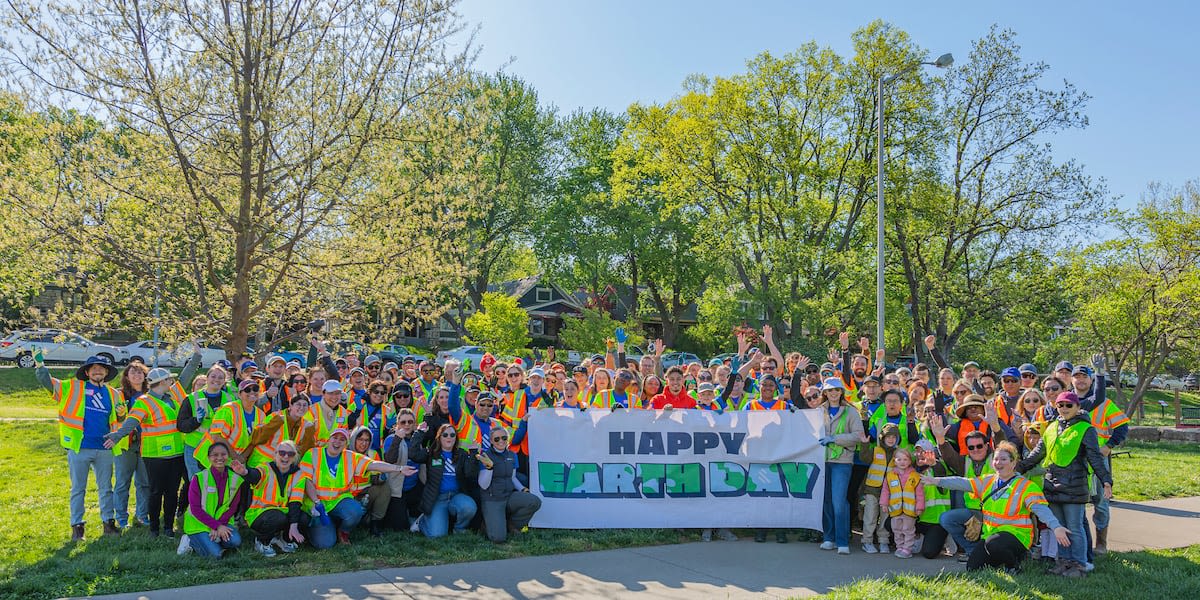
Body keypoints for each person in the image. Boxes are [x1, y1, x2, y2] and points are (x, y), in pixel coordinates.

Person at [923, 441, 1071, 574]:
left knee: (994, 545)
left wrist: (1055, 526)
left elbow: (1041, 509)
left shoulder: (1025, 486)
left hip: (1017, 536)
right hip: (991, 535)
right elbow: (963, 482)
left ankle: (1013, 565)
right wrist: (936, 481)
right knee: (973, 567)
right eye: (996, 459)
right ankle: (1003, 557)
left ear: (1013, 463)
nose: (998, 462)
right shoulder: (988, 481)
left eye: (1004, 459)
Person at [1017, 391, 1112, 577]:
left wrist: (1106, 480)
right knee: (1059, 528)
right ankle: (1064, 562)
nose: (1064, 408)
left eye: (1069, 405)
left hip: (1074, 487)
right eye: (1061, 405)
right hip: (1052, 485)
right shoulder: (1052, 427)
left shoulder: (1086, 428)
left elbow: (1095, 457)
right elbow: (1037, 454)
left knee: (1075, 527)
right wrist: (1017, 468)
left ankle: (1079, 564)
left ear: (1077, 407)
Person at [37, 352, 124, 540]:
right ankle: (77, 527)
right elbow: (48, 383)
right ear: (87, 372)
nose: (97, 371)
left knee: (106, 488)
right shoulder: (73, 387)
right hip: (79, 447)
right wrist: (39, 364)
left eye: (101, 368)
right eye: (93, 368)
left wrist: (120, 421)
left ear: (107, 372)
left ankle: (108, 523)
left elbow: (119, 420)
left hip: (104, 448)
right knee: (78, 489)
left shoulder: (114, 393)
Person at [291, 427, 411, 547]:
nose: (337, 442)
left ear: (346, 444)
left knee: (356, 511)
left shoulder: (350, 457)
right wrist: (316, 502)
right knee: (325, 544)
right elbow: (307, 481)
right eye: (335, 438)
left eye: (342, 439)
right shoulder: (313, 453)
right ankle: (319, 527)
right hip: (317, 505)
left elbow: (374, 464)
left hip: (338, 501)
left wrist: (399, 469)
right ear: (329, 439)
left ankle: (343, 531)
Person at [106, 367, 187, 538]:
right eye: (169, 380)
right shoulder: (144, 401)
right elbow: (131, 422)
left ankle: (168, 527)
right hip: (155, 455)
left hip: (176, 452)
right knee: (156, 492)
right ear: (163, 382)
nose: (172, 382)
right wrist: (118, 435)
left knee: (172, 492)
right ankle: (155, 529)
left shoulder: (171, 397)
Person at [817, 378, 865, 555]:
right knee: (826, 501)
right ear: (825, 393)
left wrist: (835, 439)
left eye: (837, 390)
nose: (834, 393)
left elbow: (858, 435)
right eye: (830, 391)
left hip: (842, 461)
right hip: (822, 461)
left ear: (841, 392)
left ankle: (842, 540)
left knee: (839, 501)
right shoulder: (818, 411)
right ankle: (828, 538)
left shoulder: (851, 412)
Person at [409, 423, 480, 537]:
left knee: (469, 507)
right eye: (445, 435)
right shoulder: (431, 453)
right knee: (436, 535)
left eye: (452, 435)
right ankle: (421, 522)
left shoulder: (461, 454)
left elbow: (470, 474)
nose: (449, 437)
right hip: (437, 498)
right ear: (439, 437)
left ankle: (459, 528)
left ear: (456, 438)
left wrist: (473, 454)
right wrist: (419, 433)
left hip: (456, 496)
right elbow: (413, 455)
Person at [477, 426, 542, 543]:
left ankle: (512, 525)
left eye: (504, 437)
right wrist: (489, 468)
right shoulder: (485, 456)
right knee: (498, 538)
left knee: (534, 501)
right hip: (493, 499)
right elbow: (483, 485)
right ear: (491, 441)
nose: (501, 441)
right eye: (496, 439)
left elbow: (512, 478)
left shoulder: (512, 455)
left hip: (508, 495)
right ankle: (487, 524)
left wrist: (523, 489)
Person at [242, 439, 304, 557]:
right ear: (275, 454)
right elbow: (255, 475)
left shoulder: (298, 474)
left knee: (304, 517)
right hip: (259, 514)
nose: (285, 456)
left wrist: (294, 526)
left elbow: (296, 501)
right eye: (282, 453)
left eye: (290, 454)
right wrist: (245, 472)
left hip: (282, 513)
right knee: (277, 517)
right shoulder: (265, 467)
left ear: (295, 457)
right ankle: (262, 541)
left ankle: (284, 539)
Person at [183, 440, 243, 558]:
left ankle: (213, 539)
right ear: (209, 458)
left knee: (235, 541)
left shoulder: (236, 479)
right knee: (216, 555)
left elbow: (232, 508)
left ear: (228, 457)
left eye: (223, 454)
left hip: (222, 521)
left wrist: (219, 525)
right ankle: (189, 541)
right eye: (215, 455)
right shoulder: (199, 478)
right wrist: (216, 526)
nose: (219, 458)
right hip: (198, 523)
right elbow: (195, 509)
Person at [178, 365, 235, 480]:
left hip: (220, 449)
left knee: (219, 482)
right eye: (213, 376)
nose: (216, 380)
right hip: (195, 448)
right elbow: (181, 425)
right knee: (197, 483)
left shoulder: (231, 400)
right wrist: (196, 420)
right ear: (207, 378)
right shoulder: (192, 398)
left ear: (224, 381)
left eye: (220, 377)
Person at [114, 362, 151, 529]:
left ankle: (142, 515)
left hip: (147, 443)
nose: (137, 376)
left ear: (145, 376)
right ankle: (121, 518)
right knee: (123, 482)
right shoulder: (119, 395)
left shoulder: (151, 395)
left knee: (144, 482)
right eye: (133, 373)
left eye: (140, 372)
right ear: (127, 377)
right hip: (125, 445)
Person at [860, 423, 901, 553]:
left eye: (894, 437)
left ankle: (884, 541)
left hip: (889, 492)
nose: (891, 439)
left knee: (885, 518)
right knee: (870, 516)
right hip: (872, 489)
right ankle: (867, 541)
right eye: (888, 436)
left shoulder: (898, 454)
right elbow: (864, 459)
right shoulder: (875, 450)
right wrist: (865, 445)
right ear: (882, 438)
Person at [245, 393, 316, 468]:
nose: (301, 408)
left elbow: (304, 453)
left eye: (305, 405)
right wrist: (275, 423)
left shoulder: (307, 425)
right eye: (298, 404)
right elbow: (256, 438)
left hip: (282, 467)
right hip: (261, 462)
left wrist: (309, 434)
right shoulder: (276, 416)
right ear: (291, 405)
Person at [381, 408, 423, 531]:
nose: (407, 425)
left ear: (414, 424)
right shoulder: (391, 439)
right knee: (400, 527)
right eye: (403, 422)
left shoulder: (417, 440)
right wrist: (398, 439)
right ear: (397, 423)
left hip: (414, 487)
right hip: (397, 489)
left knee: (416, 521)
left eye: (410, 422)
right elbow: (389, 460)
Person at [879, 447, 924, 558]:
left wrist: (919, 507)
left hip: (910, 510)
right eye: (899, 459)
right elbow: (885, 490)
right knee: (896, 529)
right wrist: (884, 504)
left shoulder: (915, 476)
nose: (902, 462)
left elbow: (920, 493)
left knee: (908, 530)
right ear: (894, 460)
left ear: (909, 461)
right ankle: (900, 547)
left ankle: (907, 549)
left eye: (905, 459)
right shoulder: (890, 476)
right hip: (895, 509)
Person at [350, 425, 391, 536]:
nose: (364, 443)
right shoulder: (344, 453)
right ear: (353, 439)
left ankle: (375, 525)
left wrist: (380, 478)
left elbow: (375, 478)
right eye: (360, 439)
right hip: (346, 496)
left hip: (365, 495)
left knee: (385, 487)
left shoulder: (373, 454)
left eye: (367, 440)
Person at [309, 379, 351, 445]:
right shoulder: (312, 410)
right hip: (314, 452)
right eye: (330, 393)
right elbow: (306, 437)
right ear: (323, 394)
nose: (334, 397)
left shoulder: (343, 412)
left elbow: (344, 437)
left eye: (337, 393)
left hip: (335, 453)